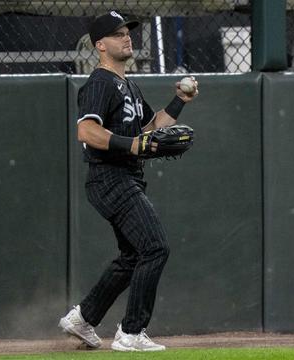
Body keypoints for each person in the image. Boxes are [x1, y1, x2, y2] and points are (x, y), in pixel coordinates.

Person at [58, 10, 198, 352]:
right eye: (118, 34)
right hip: (110, 177)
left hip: (125, 176)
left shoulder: (128, 85)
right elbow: (86, 131)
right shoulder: (99, 82)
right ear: (100, 45)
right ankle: (131, 332)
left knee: (134, 256)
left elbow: (151, 128)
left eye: (128, 32)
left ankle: (83, 319)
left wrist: (179, 101)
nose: (127, 37)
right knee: (155, 247)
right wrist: (132, 144)